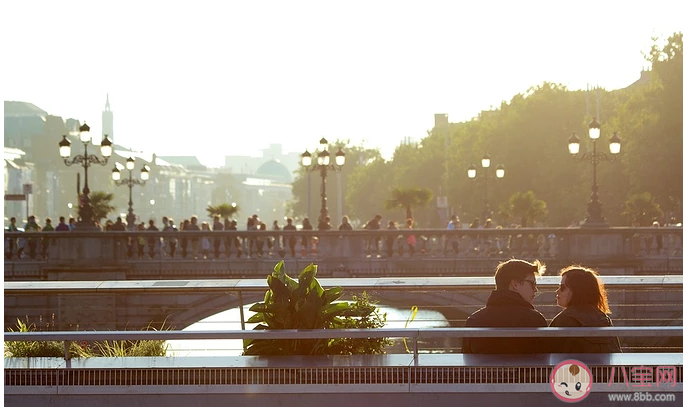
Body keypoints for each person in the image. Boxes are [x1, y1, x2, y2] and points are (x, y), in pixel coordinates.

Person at [463, 258, 548, 354]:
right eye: (532, 284)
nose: (536, 289)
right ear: (515, 284)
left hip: (487, 369)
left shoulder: (475, 320)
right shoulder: (535, 320)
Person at [549, 266, 622, 353]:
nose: (557, 291)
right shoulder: (603, 318)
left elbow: (547, 354)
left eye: (562, 287)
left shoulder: (564, 320)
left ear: (576, 291)